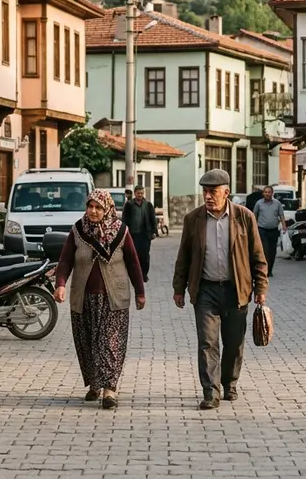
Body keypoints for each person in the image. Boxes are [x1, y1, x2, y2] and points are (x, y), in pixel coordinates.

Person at [173, 169, 269, 410]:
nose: (208, 196)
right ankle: (211, 392)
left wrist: (260, 287)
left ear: (226, 192)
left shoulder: (244, 217)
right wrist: (179, 288)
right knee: (208, 342)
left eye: (213, 192)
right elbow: (183, 256)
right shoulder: (193, 219)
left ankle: (229, 382)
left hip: (236, 290)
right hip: (205, 290)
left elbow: (258, 256)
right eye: (205, 191)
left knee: (234, 343)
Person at [53, 190, 146, 410]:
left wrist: (140, 291)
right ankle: (95, 384)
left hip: (114, 299)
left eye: (98, 207)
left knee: (109, 344)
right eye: (90, 206)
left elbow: (133, 262)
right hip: (84, 298)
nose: (93, 211)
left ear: (108, 209)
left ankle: (109, 390)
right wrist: (60, 284)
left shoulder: (120, 231)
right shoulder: (78, 230)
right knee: (88, 343)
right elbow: (65, 260)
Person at [122, 184, 157, 283]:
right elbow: (124, 219)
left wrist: (154, 231)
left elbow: (153, 219)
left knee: (144, 255)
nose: (140, 195)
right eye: (138, 193)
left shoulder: (148, 205)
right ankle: (135, 274)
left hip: (145, 235)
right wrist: (124, 232)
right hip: (133, 235)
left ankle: (144, 274)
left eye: (142, 193)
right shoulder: (129, 205)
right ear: (135, 193)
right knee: (133, 255)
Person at [252, 185, 286, 278]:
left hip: (274, 230)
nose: (267, 194)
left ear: (272, 193)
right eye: (265, 192)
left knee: (272, 252)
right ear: (263, 193)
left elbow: (281, 215)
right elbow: (254, 215)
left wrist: (284, 227)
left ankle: (269, 270)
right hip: (262, 230)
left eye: (269, 192)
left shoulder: (277, 203)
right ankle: (264, 270)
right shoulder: (259, 203)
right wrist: (253, 227)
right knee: (265, 250)